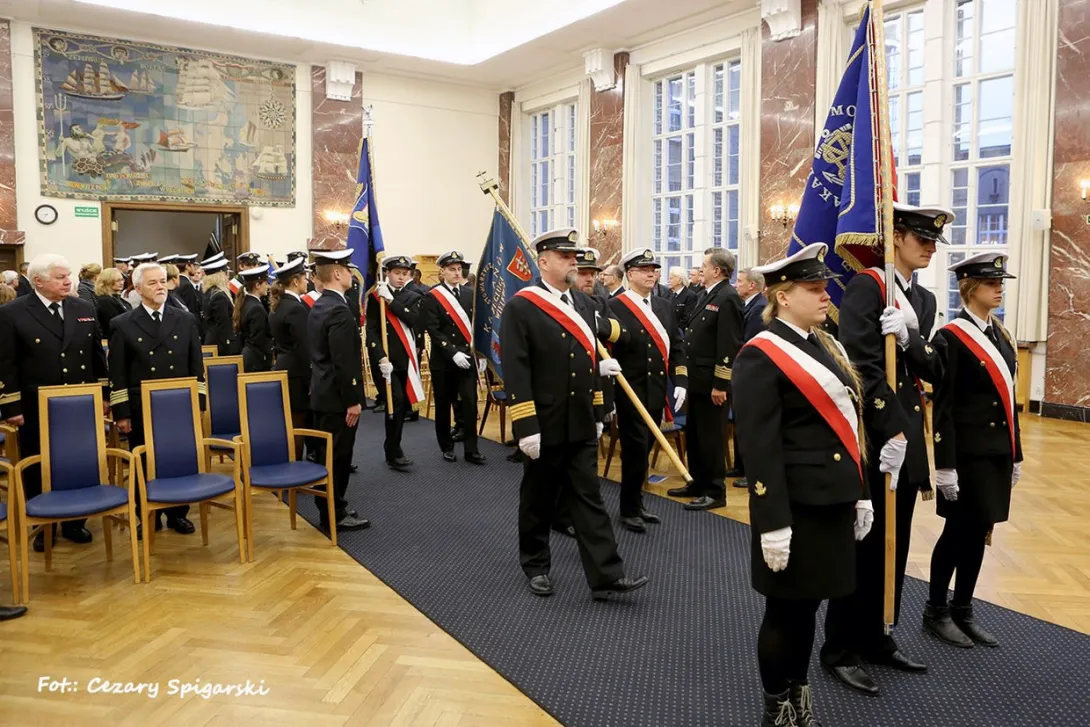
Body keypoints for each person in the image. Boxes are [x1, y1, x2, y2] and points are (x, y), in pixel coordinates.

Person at [734, 242, 871, 727]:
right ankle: (777, 707)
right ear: (783, 296)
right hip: (794, 507)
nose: (825, 295)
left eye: (824, 287)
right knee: (784, 612)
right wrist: (772, 523)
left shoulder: (825, 345)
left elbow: (849, 427)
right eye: (813, 288)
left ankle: (799, 692)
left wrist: (861, 494)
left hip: (831, 501)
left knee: (809, 607)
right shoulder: (761, 354)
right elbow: (760, 447)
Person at [820, 203, 950, 695]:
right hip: (877, 436)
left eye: (934, 242)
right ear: (895, 237)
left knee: (895, 543)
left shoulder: (924, 299)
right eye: (921, 238)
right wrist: (890, 428)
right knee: (863, 544)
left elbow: (933, 369)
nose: (929, 247)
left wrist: (910, 338)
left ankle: (877, 636)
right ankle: (839, 647)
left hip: (907, 439)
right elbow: (860, 365)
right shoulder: (868, 286)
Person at [499, 227, 648, 600]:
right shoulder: (522, 306)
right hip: (544, 420)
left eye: (574, 257)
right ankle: (536, 566)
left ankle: (606, 574)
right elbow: (516, 369)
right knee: (538, 498)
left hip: (580, 418)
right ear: (543, 261)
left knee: (588, 497)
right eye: (565, 257)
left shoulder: (583, 304)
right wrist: (526, 426)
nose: (573, 263)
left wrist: (597, 410)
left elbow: (586, 360)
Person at [924, 251, 1021, 649]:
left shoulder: (1001, 335)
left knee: (980, 531)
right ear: (969, 287)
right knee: (957, 532)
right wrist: (944, 465)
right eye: (991, 283)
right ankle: (936, 610)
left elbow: (1009, 400)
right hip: (966, 455)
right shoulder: (950, 338)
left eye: (1000, 283)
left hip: (996, 453)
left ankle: (963, 608)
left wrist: (1016, 453)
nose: (999, 289)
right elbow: (943, 408)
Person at [0, 254, 108, 551]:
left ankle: (75, 521)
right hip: (36, 403)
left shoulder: (83, 307)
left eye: (68, 275)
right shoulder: (13, 312)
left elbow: (96, 355)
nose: (68, 282)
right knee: (37, 462)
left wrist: (103, 395)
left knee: (78, 460)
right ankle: (42, 525)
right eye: (60, 277)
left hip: (79, 400)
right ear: (38, 281)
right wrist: (11, 406)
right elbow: (6, 364)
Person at [109, 262, 204, 537]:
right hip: (142, 406)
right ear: (138, 289)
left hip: (178, 404)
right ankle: (146, 514)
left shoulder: (185, 319)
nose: (160, 286)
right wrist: (122, 413)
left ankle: (178, 513)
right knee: (144, 460)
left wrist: (197, 403)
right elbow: (118, 372)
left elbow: (195, 365)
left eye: (162, 281)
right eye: (152, 283)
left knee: (178, 459)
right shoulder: (122, 324)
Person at [607, 248, 687, 533]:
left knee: (646, 447)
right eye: (644, 270)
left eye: (654, 270)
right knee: (635, 449)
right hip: (629, 391)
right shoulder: (615, 306)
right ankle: (628, 509)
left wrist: (681, 381)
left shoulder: (664, 306)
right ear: (630, 274)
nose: (652, 274)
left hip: (657, 390)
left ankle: (638, 503)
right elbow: (607, 348)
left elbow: (676, 345)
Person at [668, 247, 744, 510]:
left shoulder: (728, 297)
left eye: (704, 265)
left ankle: (714, 491)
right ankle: (698, 482)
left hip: (713, 383)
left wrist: (721, 384)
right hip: (697, 379)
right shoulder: (707, 293)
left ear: (717, 270)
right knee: (696, 435)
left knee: (711, 438)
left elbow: (729, 344)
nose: (701, 269)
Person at [308, 249, 370, 532]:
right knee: (339, 458)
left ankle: (330, 508)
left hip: (323, 393)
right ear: (336, 273)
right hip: (337, 398)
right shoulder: (339, 311)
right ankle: (335, 513)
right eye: (347, 269)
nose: (351, 274)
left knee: (327, 456)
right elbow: (344, 363)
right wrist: (353, 401)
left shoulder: (321, 304)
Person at [420, 250, 486, 465]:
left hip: (466, 357)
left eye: (459, 269)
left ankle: (471, 449)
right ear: (442, 272)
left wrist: (480, 353)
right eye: (452, 269)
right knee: (443, 405)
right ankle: (446, 446)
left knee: (470, 403)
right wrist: (452, 352)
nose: (457, 273)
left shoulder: (469, 294)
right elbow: (433, 329)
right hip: (444, 360)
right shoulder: (433, 296)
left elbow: (475, 325)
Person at [367, 256, 424, 472]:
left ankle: (393, 446)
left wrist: (391, 301)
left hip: (404, 360)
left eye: (405, 273)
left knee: (402, 405)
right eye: (397, 273)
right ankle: (393, 450)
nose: (401, 277)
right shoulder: (375, 298)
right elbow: (371, 330)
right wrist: (381, 357)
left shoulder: (413, 296)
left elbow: (413, 320)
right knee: (396, 402)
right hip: (385, 362)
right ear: (387, 273)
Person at [729, 267, 769, 489]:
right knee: (741, 421)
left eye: (740, 281)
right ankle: (740, 466)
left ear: (752, 285)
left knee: (752, 425)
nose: (736, 285)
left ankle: (752, 471)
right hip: (743, 374)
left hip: (753, 375)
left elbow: (749, 342)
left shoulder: (759, 307)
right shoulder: (749, 304)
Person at [270, 257, 312, 449]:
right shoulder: (295, 308)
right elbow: (305, 347)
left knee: (290, 421)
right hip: (297, 374)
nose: (307, 281)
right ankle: (295, 462)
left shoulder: (279, 305)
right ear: (295, 281)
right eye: (304, 277)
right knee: (298, 423)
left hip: (283, 368)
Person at [234, 267, 273, 372]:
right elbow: (259, 340)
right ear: (257, 285)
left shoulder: (246, 302)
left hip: (249, 356)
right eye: (266, 283)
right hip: (256, 360)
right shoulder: (256, 308)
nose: (268, 286)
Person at [200, 254, 240, 355]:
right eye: (226, 273)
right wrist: (226, 348)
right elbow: (222, 326)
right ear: (219, 275)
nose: (228, 277)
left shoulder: (210, 292)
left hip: (213, 341)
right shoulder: (219, 296)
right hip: (220, 345)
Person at [94, 266, 130, 338]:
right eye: (118, 280)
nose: (122, 283)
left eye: (122, 280)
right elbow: (113, 323)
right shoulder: (106, 301)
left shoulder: (116, 298)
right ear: (107, 282)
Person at [176, 254, 203, 328]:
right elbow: (191, 309)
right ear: (187, 266)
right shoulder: (187, 285)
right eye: (193, 265)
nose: (194, 268)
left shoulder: (178, 282)